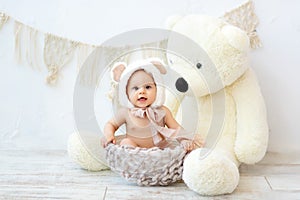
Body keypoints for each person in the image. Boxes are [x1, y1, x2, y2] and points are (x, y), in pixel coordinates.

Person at [101, 58, 204, 151]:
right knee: (125, 142)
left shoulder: (162, 111)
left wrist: (184, 140)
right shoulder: (125, 112)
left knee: (171, 149)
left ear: (157, 89)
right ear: (126, 93)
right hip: (134, 152)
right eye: (135, 88)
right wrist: (108, 134)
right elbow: (111, 124)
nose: (142, 91)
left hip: (159, 151)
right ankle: (135, 162)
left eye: (148, 87)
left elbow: (176, 129)